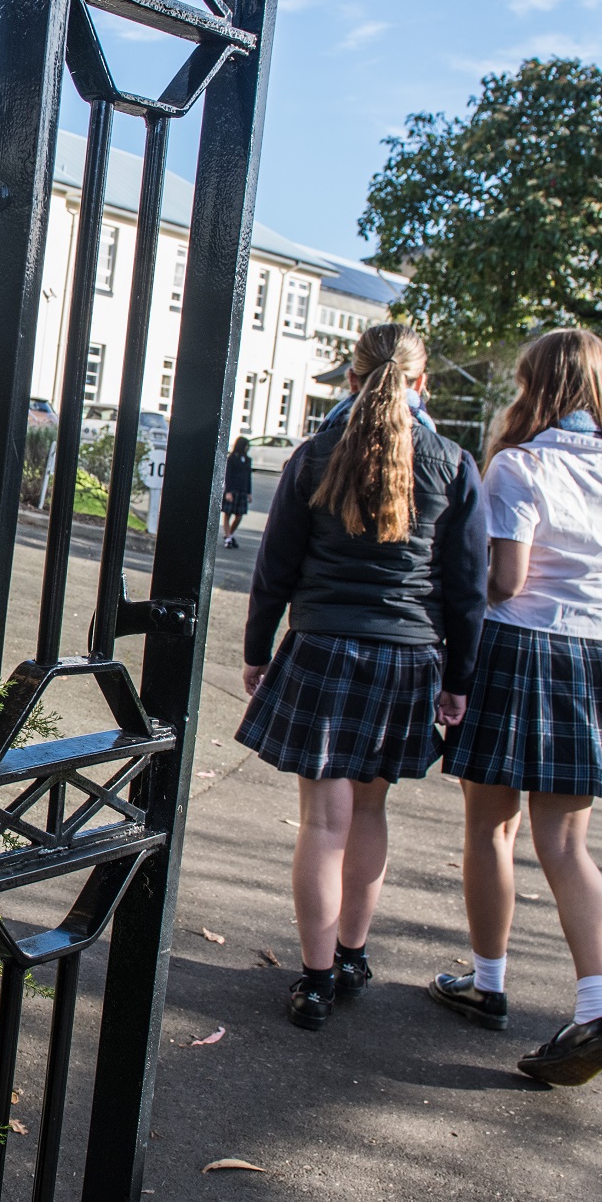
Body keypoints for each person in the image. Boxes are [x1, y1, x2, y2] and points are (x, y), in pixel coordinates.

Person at [238, 323, 487, 1030]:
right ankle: (352, 956)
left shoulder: (315, 453)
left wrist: (258, 649)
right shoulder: (451, 461)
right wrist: (458, 678)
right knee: (370, 813)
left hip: (322, 649)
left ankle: (314, 980)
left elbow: (274, 568)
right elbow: (466, 589)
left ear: (350, 380)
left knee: (323, 821)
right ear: (422, 384)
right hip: (407, 657)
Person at [427, 328, 602, 1087]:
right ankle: (598, 1008)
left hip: (515, 650)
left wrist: (459, 610)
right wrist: (599, 671)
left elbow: (508, 581)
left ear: (535, 386)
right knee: (567, 844)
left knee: (490, 825)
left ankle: (488, 985)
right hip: (590, 663)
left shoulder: (519, 467)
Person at [221, 436, 254, 548]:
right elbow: (228, 475)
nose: (247, 447)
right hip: (233, 489)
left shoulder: (248, 460)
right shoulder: (232, 458)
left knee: (239, 516)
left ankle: (229, 535)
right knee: (227, 514)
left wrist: (249, 492)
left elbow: (249, 477)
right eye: (246, 445)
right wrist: (228, 491)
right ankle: (228, 538)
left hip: (242, 490)